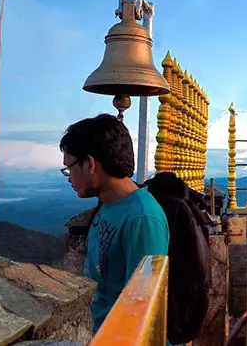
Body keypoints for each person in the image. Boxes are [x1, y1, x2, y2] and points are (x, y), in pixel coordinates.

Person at [59, 114, 169, 333]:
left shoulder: (143, 219)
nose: (69, 177)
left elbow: (145, 310)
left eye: (69, 168)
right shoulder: (108, 204)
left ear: (89, 164)